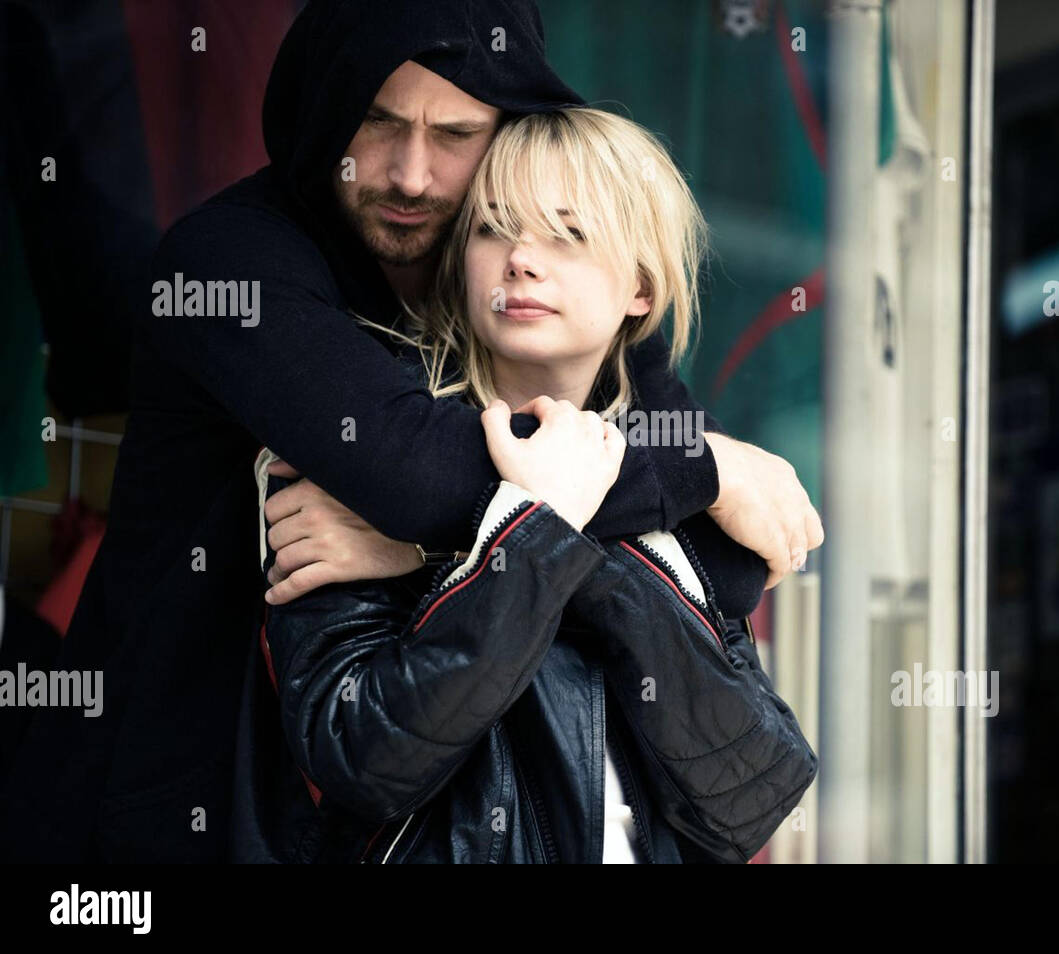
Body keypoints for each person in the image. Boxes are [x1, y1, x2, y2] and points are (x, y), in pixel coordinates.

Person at [0, 0, 820, 864]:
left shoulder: (521, 290)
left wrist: (426, 550)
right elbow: (416, 476)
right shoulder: (231, 263)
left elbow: (718, 568)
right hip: (160, 810)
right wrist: (707, 468)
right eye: (378, 121)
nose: (411, 175)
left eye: (457, 134)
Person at [236, 106, 817, 863]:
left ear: (641, 287)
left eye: (567, 235)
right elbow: (366, 759)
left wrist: (481, 541)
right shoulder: (370, 463)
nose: (519, 259)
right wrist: (526, 533)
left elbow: (753, 791)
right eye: (492, 227)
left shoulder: (663, 484)